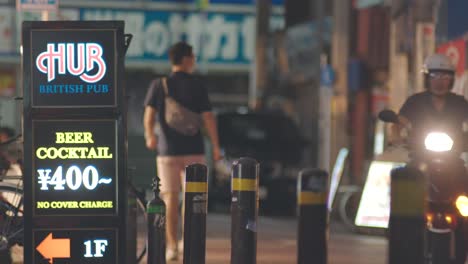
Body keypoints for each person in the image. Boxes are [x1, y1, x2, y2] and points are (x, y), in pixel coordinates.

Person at [143, 41, 221, 261]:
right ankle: (189, 242)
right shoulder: (198, 85)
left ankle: (172, 247)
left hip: (167, 151)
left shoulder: (159, 84)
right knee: (193, 198)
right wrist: (215, 146)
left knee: (169, 199)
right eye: (193, 57)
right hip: (194, 151)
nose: (194, 60)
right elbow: (208, 118)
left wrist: (150, 137)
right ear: (186, 59)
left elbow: (148, 115)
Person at [391, 53, 468, 152]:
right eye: (434, 76)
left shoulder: (459, 102)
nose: (439, 81)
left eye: (445, 76)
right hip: (419, 155)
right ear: (426, 78)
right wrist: (396, 136)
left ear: (452, 80)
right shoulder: (415, 101)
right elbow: (398, 123)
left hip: (453, 156)